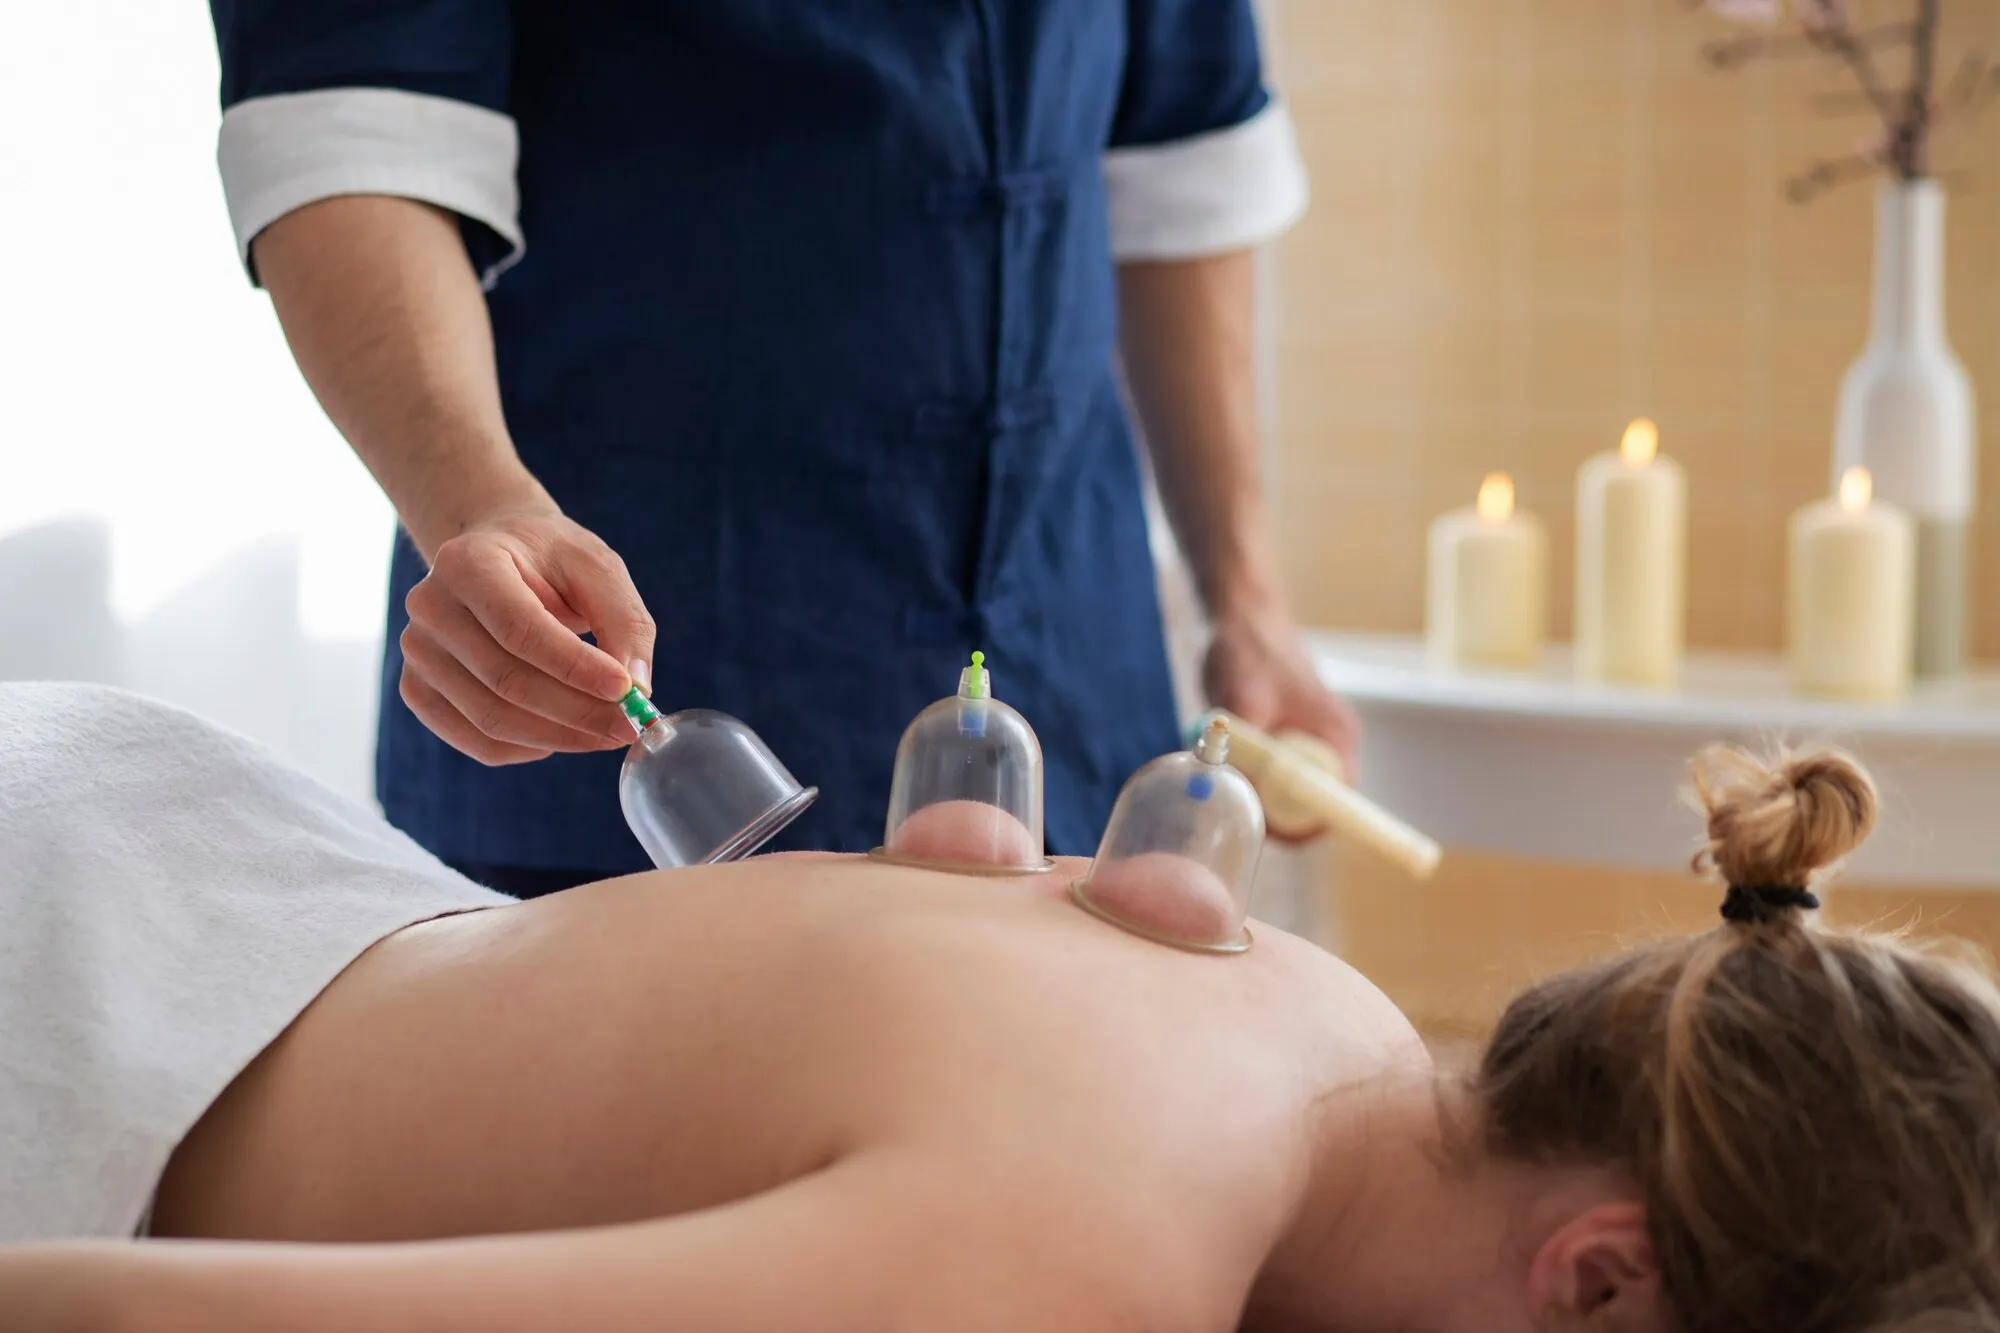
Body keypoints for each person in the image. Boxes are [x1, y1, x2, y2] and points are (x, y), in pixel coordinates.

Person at [4, 693, 1998, 1331]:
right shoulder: (1078, 1262)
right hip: (69, 1024)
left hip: (183, 855)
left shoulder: (1313, 1010)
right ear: (1600, 1275)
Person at [203, 0, 1358, 897]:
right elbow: (351, 122)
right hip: (612, 680)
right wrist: (477, 505)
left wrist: (1243, 601)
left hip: (1072, 679)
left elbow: (1181, 161)